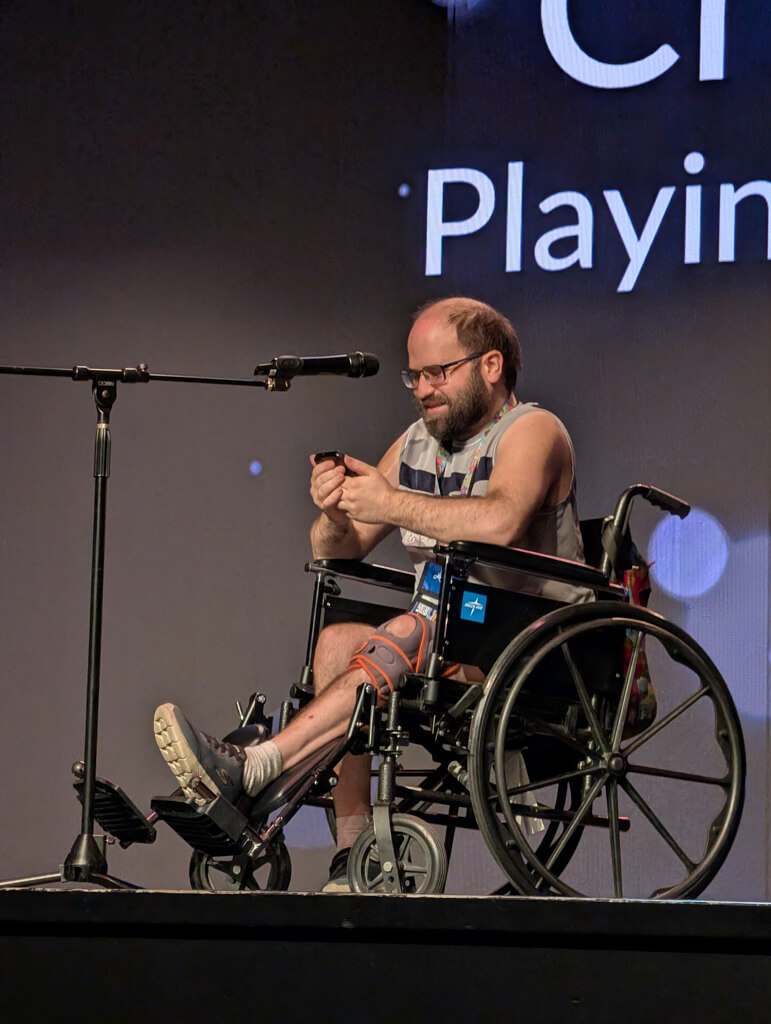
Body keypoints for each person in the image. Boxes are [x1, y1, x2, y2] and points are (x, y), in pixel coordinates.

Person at [153, 296, 585, 891]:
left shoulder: (534, 430)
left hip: (532, 651)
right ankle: (352, 853)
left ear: (491, 366)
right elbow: (338, 547)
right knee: (337, 643)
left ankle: (257, 765)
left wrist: (389, 502)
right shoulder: (416, 443)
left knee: (412, 627)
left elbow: (501, 521)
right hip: (450, 638)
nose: (423, 389)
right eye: (415, 376)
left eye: (439, 372)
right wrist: (335, 511)